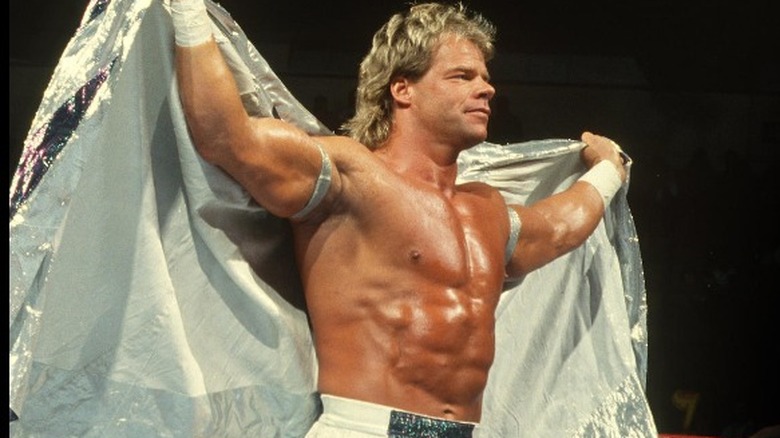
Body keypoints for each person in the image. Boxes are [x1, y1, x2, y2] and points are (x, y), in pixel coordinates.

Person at [171, 0, 628, 436]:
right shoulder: (352, 178)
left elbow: (560, 228)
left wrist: (609, 169)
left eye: (485, 78)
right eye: (462, 76)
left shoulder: (485, 210)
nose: (487, 88)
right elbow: (227, 137)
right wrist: (187, 10)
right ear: (402, 88)